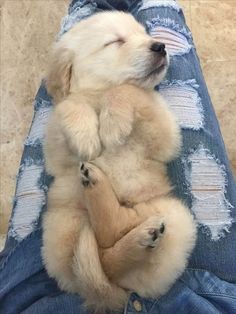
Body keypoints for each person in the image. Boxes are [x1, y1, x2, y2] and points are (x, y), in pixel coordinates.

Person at [0, 1, 236, 313]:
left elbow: (59, 156)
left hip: (38, 297)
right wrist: (79, 108)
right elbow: (167, 145)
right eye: (117, 42)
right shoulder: (72, 77)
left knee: (84, 19)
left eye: (141, 36)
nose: (153, 43)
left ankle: (86, 6)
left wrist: (115, 98)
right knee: (159, 14)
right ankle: (155, 4)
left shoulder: (83, 85)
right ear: (67, 71)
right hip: (197, 292)